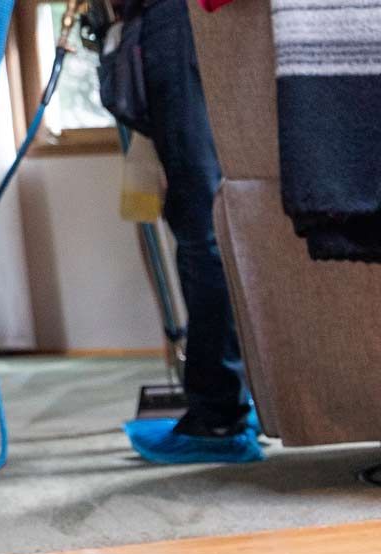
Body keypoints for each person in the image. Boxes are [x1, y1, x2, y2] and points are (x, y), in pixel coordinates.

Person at [125, 0, 262, 463]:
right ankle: (252, 400)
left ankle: (217, 416)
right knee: (235, 208)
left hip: (182, 17)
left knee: (202, 221)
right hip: (219, 20)